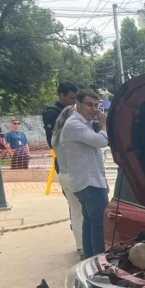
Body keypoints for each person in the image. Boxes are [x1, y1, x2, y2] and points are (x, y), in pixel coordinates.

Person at [62, 90, 109, 258]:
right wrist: (104, 124)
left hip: (87, 182)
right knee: (99, 224)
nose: (94, 109)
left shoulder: (83, 123)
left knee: (90, 222)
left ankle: (91, 260)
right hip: (90, 183)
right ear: (78, 105)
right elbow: (102, 141)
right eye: (89, 105)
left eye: (96, 105)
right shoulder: (75, 124)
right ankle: (100, 263)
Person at [51, 106, 84, 258]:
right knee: (85, 214)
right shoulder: (70, 134)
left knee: (75, 212)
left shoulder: (56, 136)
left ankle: (80, 246)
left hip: (63, 176)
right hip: (76, 177)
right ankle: (86, 245)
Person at [42, 81, 78, 161]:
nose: (74, 101)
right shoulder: (52, 112)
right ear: (62, 96)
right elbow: (52, 137)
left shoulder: (73, 111)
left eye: (76, 98)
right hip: (62, 154)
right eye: (72, 98)